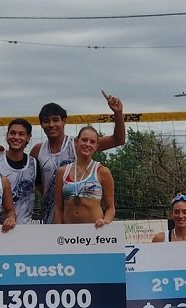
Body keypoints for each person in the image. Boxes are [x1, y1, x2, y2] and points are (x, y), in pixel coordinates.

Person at [30, 92, 125, 224]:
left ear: (64, 121)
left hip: (84, 220)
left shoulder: (79, 145)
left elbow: (118, 140)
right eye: (46, 121)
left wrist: (118, 114)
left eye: (56, 120)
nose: (51, 124)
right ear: (41, 124)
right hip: (51, 214)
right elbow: (33, 179)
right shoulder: (37, 150)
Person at [53, 126, 115, 227]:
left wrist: (105, 221)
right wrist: (59, 232)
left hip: (94, 231)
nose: (87, 144)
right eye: (84, 140)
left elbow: (110, 208)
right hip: (69, 234)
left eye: (92, 142)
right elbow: (59, 209)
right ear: (76, 142)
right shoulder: (62, 172)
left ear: (96, 146)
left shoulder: (103, 172)